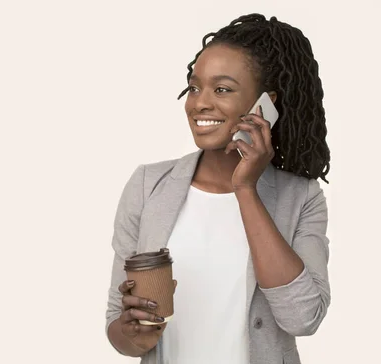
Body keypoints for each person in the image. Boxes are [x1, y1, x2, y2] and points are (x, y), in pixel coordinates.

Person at [105, 14, 331, 364]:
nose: (199, 103)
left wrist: (245, 188)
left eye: (222, 89)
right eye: (195, 87)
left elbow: (302, 318)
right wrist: (133, 333)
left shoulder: (301, 198)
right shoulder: (148, 186)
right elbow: (118, 331)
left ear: (265, 104)